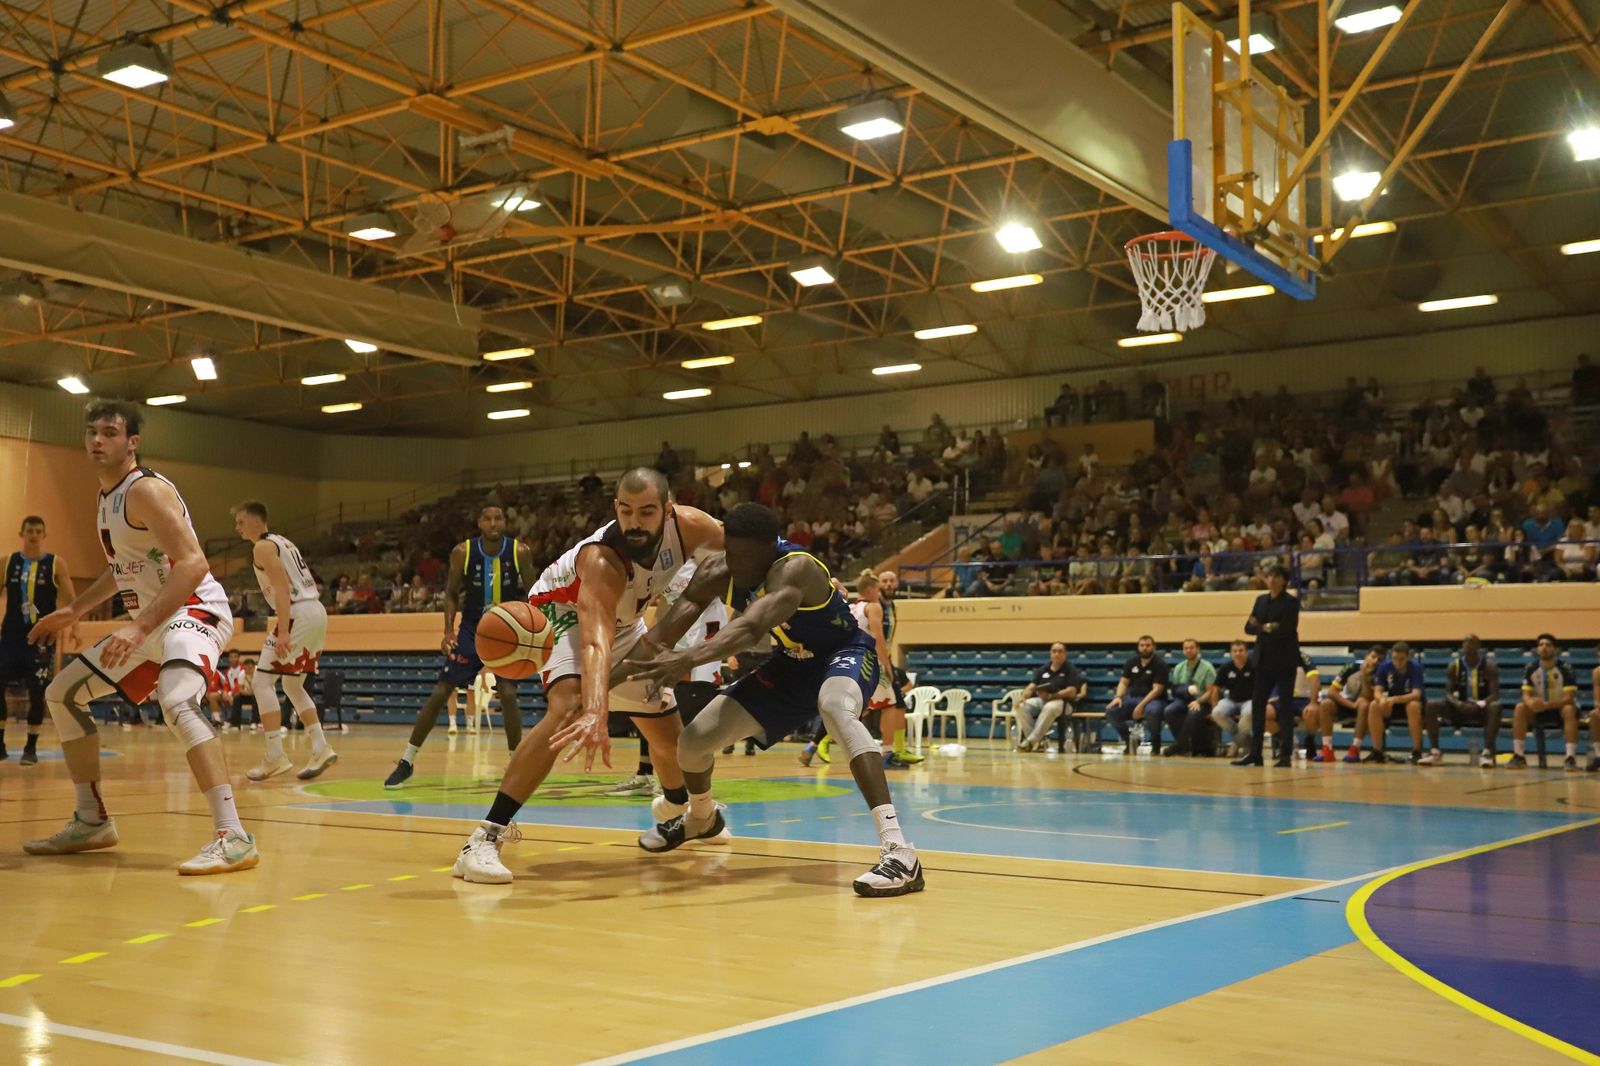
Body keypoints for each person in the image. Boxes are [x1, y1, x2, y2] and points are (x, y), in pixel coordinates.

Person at [621, 502, 924, 897]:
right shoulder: (719, 571)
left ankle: (901, 853)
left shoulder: (794, 568)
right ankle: (701, 818)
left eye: (749, 556)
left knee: (834, 708)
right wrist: (592, 690)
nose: (739, 565)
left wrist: (690, 657)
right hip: (790, 665)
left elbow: (750, 628)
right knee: (693, 742)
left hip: (844, 653)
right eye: (732, 553)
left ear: (771, 547)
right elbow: (659, 637)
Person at [450, 469, 723, 885]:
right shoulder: (602, 559)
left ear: (667, 511)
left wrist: (808, 570)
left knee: (671, 738)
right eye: (626, 511)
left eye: (646, 512)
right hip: (561, 617)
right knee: (568, 707)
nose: (635, 521)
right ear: (615, 508)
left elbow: (753, 547)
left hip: (625, 624)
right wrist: (596, 710)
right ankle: (484, 838)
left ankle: (681, 811)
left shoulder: (692, 527)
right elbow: (595, 641)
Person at [25, 399, 255, 874]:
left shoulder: (145, 489)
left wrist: (138, 625)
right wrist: (72, 610)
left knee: (177, 701)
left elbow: (193, 564)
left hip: (194, 611)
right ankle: (91, 821)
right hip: (152, 620)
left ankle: (234, 835)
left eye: (109, 432)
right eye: (91, 432)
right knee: (62, 693)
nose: (96, 440)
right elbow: (122, 570)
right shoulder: (106, 496)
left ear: (132, 443)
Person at [384, 505, 533, 787]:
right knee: (441, 691)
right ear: (479, 522)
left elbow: (534, 593)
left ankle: (516, 763)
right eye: (487, 518)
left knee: (509, 694)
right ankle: (406, 760)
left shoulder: (520, 552)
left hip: (506, 629)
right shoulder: (462, 552)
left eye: (498, 518)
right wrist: (448, 630)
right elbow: (451, 594)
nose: (493, 523)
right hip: (472, 631)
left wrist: (530, 630)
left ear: (505, 522)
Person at [607, 558, 731, 797]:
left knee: (691, 711)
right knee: (650, 701)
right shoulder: (656, 564)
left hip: (707, 631)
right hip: (679, 628)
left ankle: (694, 787)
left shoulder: (700, 552)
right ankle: (645, 774)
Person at [233, 501, 337, 782]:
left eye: (241, 522)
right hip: (316, 611)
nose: (237, 528)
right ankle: (320, 747)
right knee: (292, 684)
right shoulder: (283, 542)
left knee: (261, 682)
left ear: (256, 522)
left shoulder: (262, 547)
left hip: (297, 613)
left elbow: (280, 586)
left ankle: (275, 756)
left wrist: (283, 630)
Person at [0, 516, 75, 765]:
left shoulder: (56, 564)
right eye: (29, 530)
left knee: (37, 692)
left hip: (42, 637)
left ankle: (30, 748)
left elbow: (69, 599)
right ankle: (0, 743)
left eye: (38, 531)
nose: (33, 535)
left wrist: (68, 626)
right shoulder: (8, 562)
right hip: (11, 636)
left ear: (44, 534)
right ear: (21, 533)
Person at [1237, 566, 1300, 767]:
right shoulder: (1260, 600)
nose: (1271, 579)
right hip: (1263, 660)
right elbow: (1248, 627)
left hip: (1284, 661)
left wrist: (1261, 626)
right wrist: (1268, 626)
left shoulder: (1292, 602)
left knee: (1286, 708)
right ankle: (1255, 753)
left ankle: (1285, 755)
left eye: (1276, 576)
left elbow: (1285, 630)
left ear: (1284, 581)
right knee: (1257, 706)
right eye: (1270, 575)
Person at [1424, 635, 1500, 768]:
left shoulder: (1489, 666)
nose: (1467, 645)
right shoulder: (1454, 666)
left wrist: (1480, 704)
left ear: (1478, 646)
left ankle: (1487, 753)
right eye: (1465, 642)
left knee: (1495, 706)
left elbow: (1495, 694)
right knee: (1431, 705)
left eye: (1471, 642)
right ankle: (1435, 752)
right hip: (1459, 708)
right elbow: (1448, 692)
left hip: (1481, 709)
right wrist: (1457, 703)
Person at [1509, 633, 1581, 771]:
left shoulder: (1566, 668)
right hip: (1539, 710)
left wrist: (1547, 705)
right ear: (1537, 649)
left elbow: (1569, 697)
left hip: (1559, 709)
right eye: (1541, 645)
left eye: (1548, 645)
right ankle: (1518, 755)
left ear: (1555, 649)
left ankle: (1570, 757)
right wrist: (1531, 703)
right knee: (1520, 707)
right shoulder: (1531, 668)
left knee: (1569, 709)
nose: (1544, 648)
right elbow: (1526, 694)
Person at [1015, 642, 1085, 753]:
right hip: (1044, 700)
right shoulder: (1043, 669)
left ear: (1065, 654)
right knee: (1021, 707)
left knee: (1050, 707)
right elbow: (1031, 687)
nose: (1057, 654)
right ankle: (1038, 743)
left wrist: (1052, 696)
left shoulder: (1071, 669)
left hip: (1064, 703)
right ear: (1050, 653)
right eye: (1054, 651)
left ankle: (1030, 742)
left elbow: (1072, 692)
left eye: (1060, 651)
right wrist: (1023, 697)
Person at [1105, 636, 1169, 751]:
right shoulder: (1132, 662)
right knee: (1111, 711)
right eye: (1142, 645)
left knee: (1152, 711)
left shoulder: (1160, 664)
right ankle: (1130, 741)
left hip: (1155, 700)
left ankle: (1156, 745)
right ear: (1138, 647)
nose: (1144, 648)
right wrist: (1118, 697)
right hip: (1133, 699)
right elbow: (1124, 682)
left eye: (1148, 645)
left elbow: (1157, 690)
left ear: (1154, 647)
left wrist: (1141, 706)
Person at [1368, 641, 1425, 764]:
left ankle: (1416, 751)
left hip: (1409, 704)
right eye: (1395, 659)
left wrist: (1395, 699)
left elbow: (1416, 694)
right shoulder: (1384, 667)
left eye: (1401, 659)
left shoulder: (1415, 668)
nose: (1398, 663)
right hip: (1392, 706)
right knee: (1374, 705)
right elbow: (1377, 691)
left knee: (1413, 706)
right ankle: (1377, 751)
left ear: (1408, 657)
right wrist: (1382, 699)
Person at [1160, 639, 1216, 757]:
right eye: (1186, 648)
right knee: (1169, 710)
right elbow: (1174, 690)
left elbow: (1211, 692)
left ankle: (1178, 745)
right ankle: (1184, 745)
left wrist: (1198, 701)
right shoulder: (1179, 667)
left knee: (1192, 713)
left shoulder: (1207, 667)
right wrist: (1185, 689)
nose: (1189, 650)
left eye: (1191, 648)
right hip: (1183, 700)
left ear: (1198, 649)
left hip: (1203, 701)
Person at [1328, 645, 1383, 764]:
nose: (1375, 661)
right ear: (1366, 656)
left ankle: (1355, 748)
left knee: (1364, 704)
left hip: (1363, 706)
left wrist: (1364, 677)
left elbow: (1367, 696)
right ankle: (1326, 748)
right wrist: (1350, 705)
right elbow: (1332, 691)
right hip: (1346, 702)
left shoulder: (1380, 673)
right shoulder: (1351, 667)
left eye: (1379, 660)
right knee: (1325, 704)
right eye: (1373, 657)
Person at [1208, 641, 1255, 756]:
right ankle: (1245, 742)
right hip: (1232, 700)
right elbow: (1216, 689)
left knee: (1248, 713)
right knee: (1217, 713)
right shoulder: (1226, 667)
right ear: (1231, 653)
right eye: (1235, 651)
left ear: (1246, 652)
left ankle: (1235, 744)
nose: (1238, 653)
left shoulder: (1254, 666)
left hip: (1250, 700)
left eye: (1241, 651)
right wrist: (1214, 705)